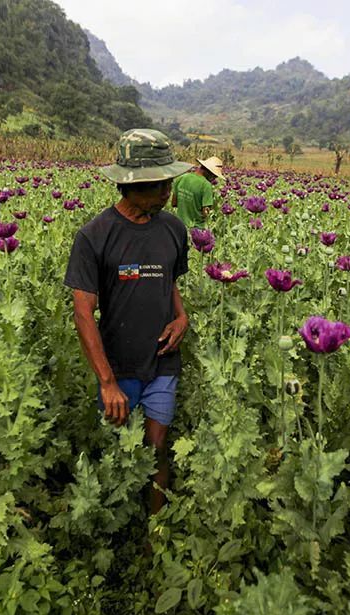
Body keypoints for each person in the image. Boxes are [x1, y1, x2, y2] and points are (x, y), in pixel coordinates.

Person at [64, 128, 193, 517]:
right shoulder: (93, 237)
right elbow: (83, 313)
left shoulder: (173, 228)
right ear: (131, 185)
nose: (168, 191)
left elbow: (169, 280)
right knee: (117, 450)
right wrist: (106, 382)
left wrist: (182, 316)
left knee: (157, 448)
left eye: (169, 181)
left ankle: (155, 533)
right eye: (160, 184)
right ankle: (110, 524)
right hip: (118, 366)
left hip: (162, 359)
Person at [170, 156, 224, 228]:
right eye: (214, 175)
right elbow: (205, 213)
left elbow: (174, 203)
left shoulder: (182, 177)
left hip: (179, 226)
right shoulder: (206, 185)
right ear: (209, 171)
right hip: (197, 230)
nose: (214, 178)